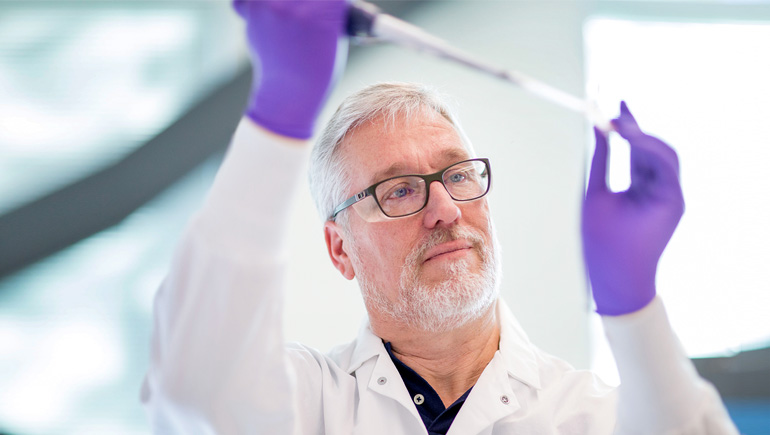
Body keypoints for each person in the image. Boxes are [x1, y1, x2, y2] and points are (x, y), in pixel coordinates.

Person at [142, 1, 739, 434]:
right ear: (340, 249)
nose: (446, 209)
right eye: (400, 190)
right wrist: (279, 115)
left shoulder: (591, 416)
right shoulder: (307, 406)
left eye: (457, 175)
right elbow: (196, 389)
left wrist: (632, 308)